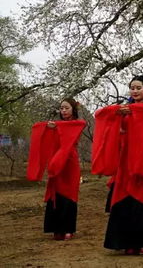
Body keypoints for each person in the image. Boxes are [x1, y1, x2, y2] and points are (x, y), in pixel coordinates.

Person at [91, 74, 143, 255]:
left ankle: (142, 243)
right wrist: (117, 113)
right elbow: (101, 115)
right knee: (125, 201)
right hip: (125, 163)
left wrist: (137, 113)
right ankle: (124, 242)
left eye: (138, 88)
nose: (135, 91)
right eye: (132, 88)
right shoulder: (124, 109)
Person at [27, 98, 86, 240]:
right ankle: (56, 228)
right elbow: (37, 127)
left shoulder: (77, 123)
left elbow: (78, 125)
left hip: (70, 162)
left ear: (73, 109)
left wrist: (56, 127)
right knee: (57, 193)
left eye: (67, 108)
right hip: (56, 161)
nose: (63, 111)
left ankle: (68, 229)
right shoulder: (56, 125)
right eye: (61, 108)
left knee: (70, 195)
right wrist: (47, 127)